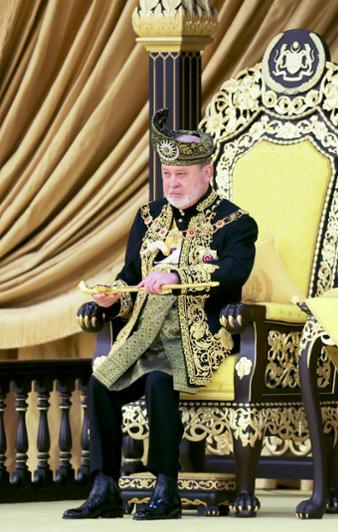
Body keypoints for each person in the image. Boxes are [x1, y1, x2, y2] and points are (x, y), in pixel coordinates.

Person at [63, 109, 258, 520]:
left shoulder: (236, 222)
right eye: (167, 174)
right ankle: (105, 487)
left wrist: (177, 275)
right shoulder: (148, 217)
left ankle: (166, 489)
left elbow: (233, 273)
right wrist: (113, 299)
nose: (172, 183)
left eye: (181, 175)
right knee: (100, 383)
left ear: (207, 172)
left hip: (197, 334)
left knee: (157, 380)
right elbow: (131, 276)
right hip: (142, 334)